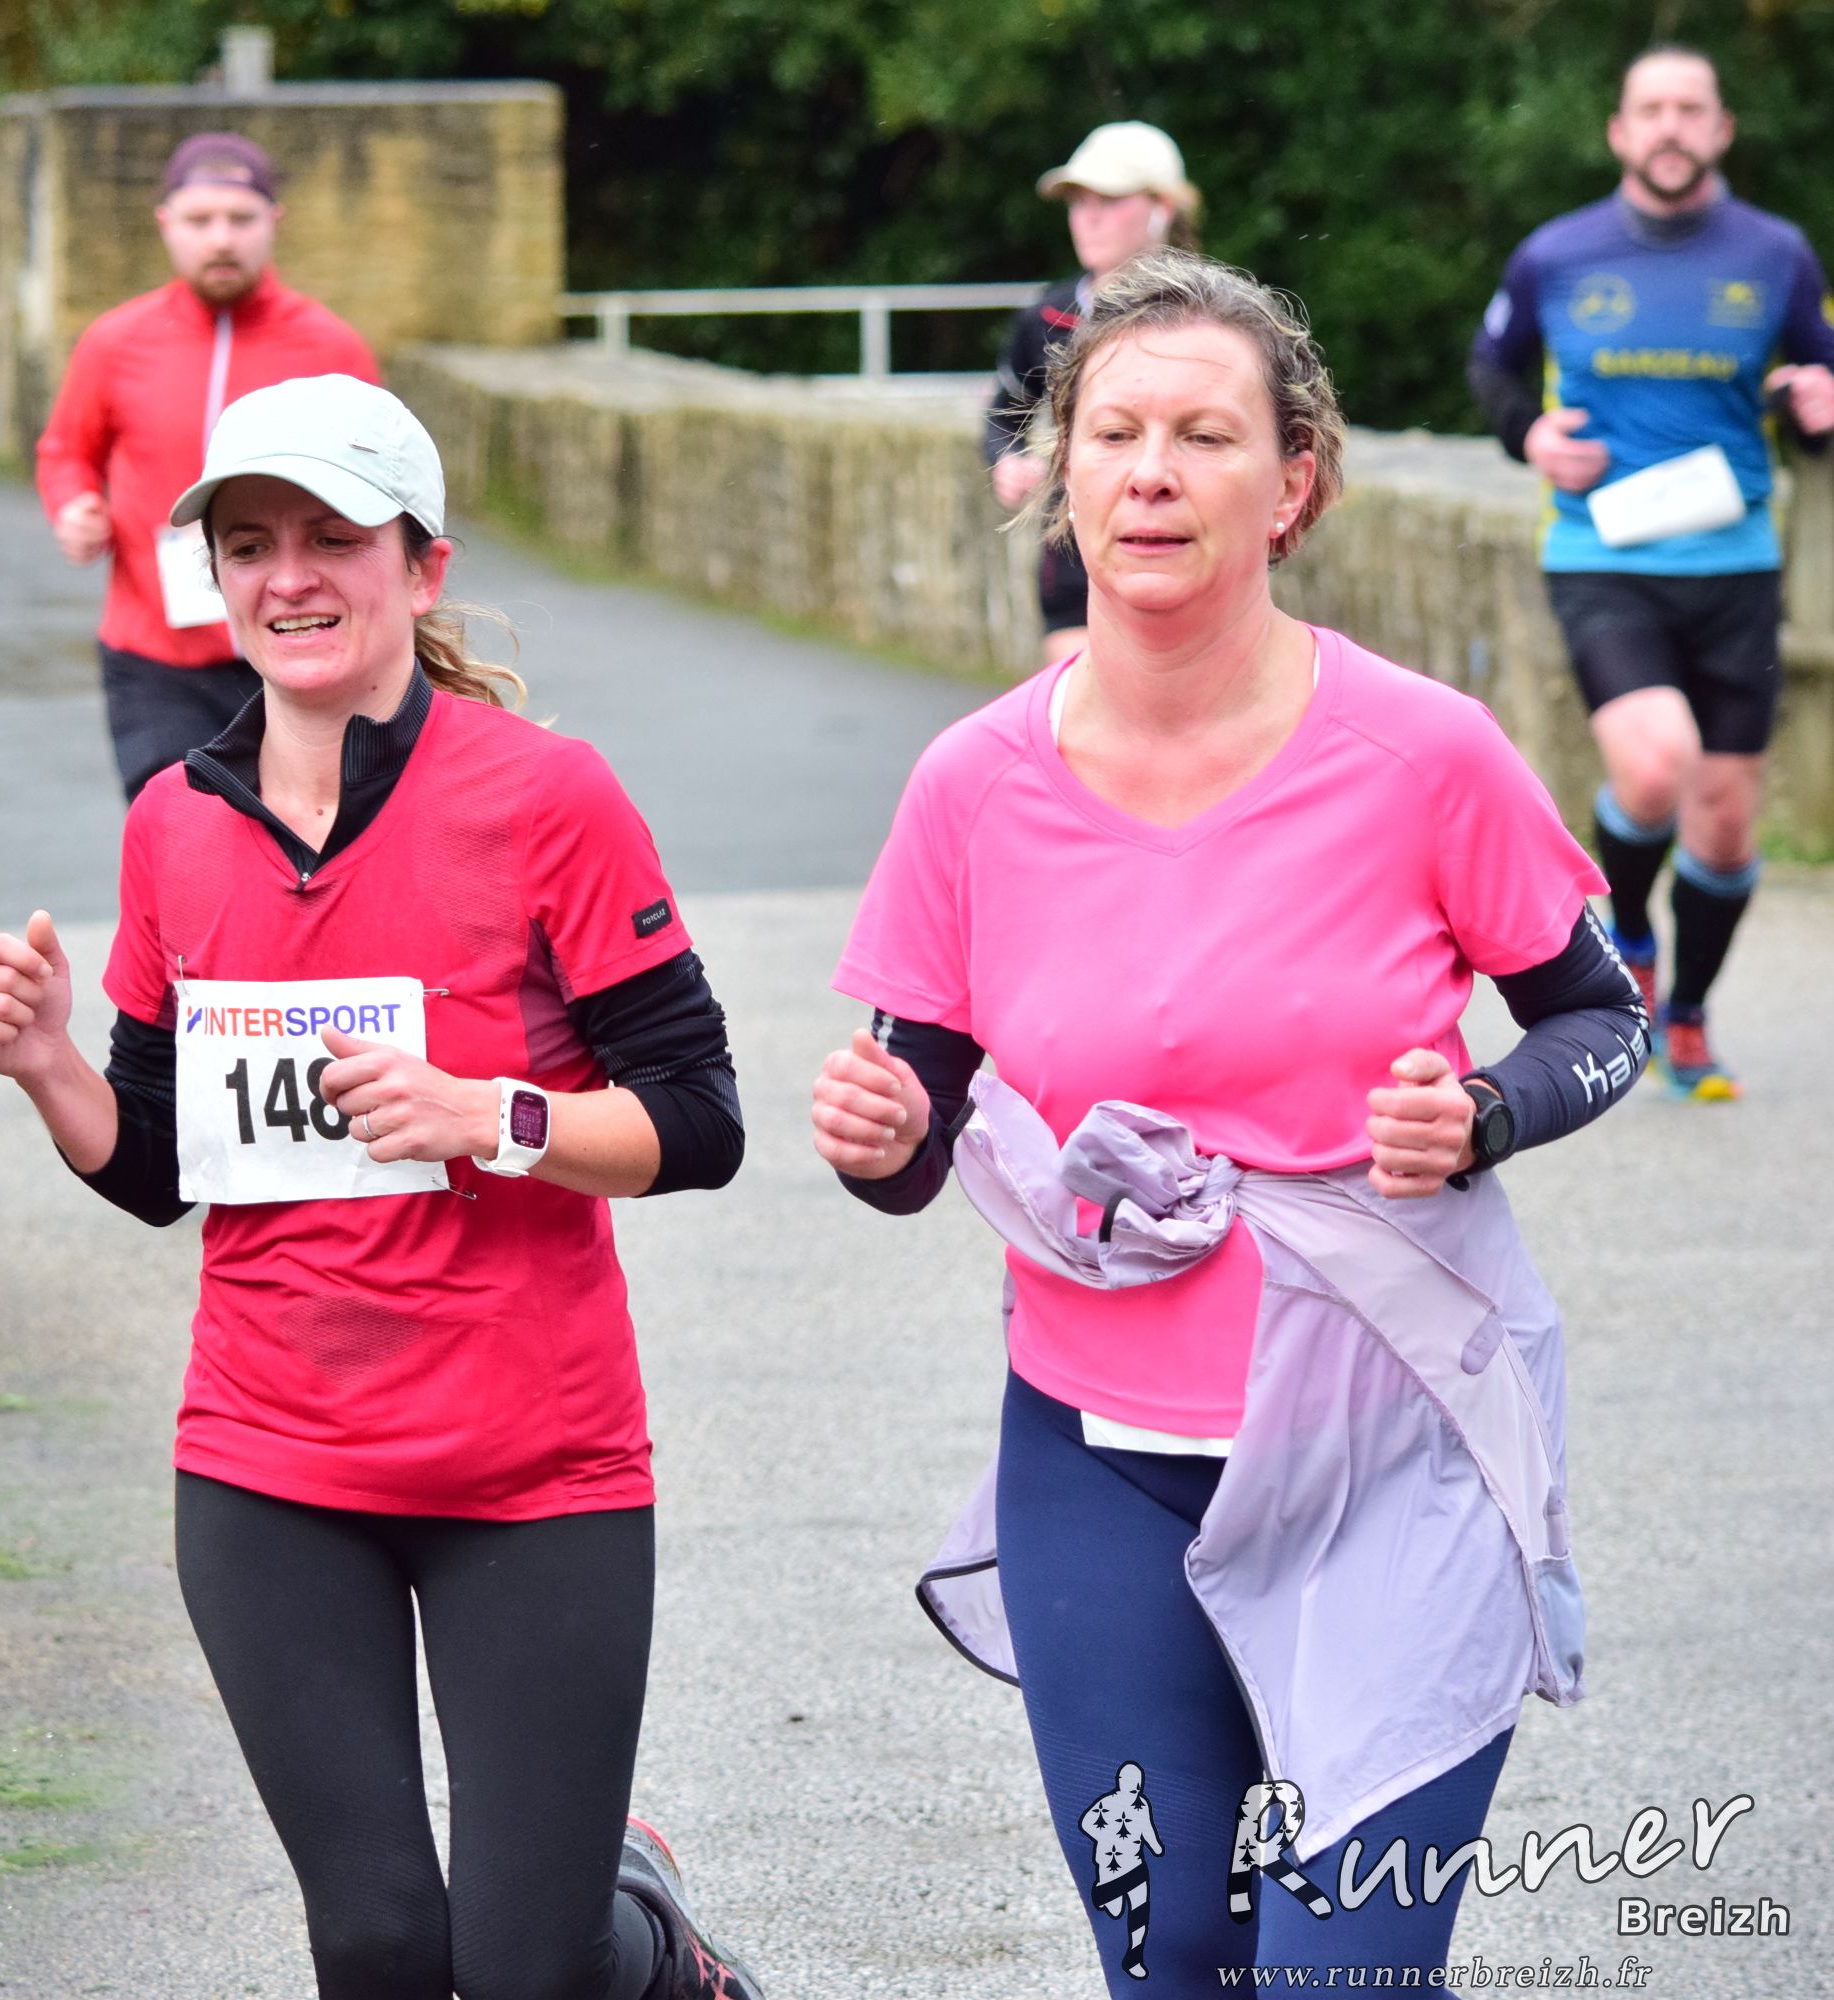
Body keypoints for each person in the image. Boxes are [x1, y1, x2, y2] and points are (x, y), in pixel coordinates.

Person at [817, 251, 1648, 1994]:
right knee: (1172, 1952)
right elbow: (918, 1117)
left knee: (1347, 1972)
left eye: (1205, 436)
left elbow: (1602, 1014)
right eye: (1114, 433)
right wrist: (882, 1140)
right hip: (1099, 1460)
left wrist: (1480, 1114)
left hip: (1393, 1443)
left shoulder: (1423, 752)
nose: (1151, 473)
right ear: (1059, 475)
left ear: (1292, 487)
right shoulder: (971, 784)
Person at [0, 373, 764, 2000]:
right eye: (250, 544)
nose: (290, 576)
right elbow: (159, 1169)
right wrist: (50, 1068)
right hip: (272, 1461)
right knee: (384, 1942)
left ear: (423, 564)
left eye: (334, 536)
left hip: (531, 1466)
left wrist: (492, 1116)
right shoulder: (174, 824)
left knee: (527, 1969)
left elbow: (701, 1118)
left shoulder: (545, 797)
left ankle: (659, 1956)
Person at [1469, 44, 1834, 1098]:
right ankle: (1628, 934)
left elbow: (1815, 380)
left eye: (1690, 108)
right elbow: (1492, 366)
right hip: (1603, 553)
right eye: (1652, 109)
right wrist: (1531, 433)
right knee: (1653, 764)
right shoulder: (1556, 254)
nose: (1671, 126)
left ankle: (1689, 1014)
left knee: (1724, 820)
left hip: (1736, 561)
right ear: (1620, 133)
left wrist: (1817, 405)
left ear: (1720, 130)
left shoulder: (1775, 254)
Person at [34, 132, 381, 800]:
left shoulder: (331, 347)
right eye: (200, 220)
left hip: (301, 643)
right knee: (179, 834)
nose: (221, 239)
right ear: (166, 224)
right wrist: (73, 506)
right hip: (157, 655)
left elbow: (382, 487)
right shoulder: (115, 342)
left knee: (311, 834)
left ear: (274, 222)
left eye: (241, 219)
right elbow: (65, 451)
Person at [988, 121, 1202, 667]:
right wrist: (1007, 463)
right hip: (1073, 560)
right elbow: (1002, 416)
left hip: (1184, 549)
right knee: (1084, 701)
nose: (1088, 217)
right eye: (1077, 202)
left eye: (1108, 200)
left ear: (1162, 208)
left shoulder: (1213, 319)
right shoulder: (1047, 316)